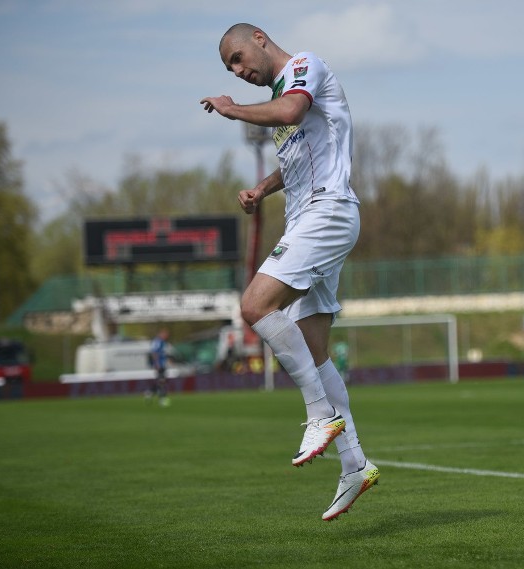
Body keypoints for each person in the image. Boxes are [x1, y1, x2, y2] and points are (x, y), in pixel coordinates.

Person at [200, 23, 378, 521]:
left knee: (254, 305)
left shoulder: (304, 66)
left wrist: (233, 107)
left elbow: (292, 110)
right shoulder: (283, 100)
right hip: (311, 216)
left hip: (327, 212)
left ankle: (319, 414)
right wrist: (262, 187)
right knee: (315, 349)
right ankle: (355, 465)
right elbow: (299, 153)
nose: (238, 71)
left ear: (259, 38)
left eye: (237, 58)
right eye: (230, 69)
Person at [148, 328, 171, 407]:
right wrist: (157, 364)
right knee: (162, 381)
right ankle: (162, 400)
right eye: (165, 335)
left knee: (161, 381)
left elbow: (163, 354)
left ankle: (150, 392)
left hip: (162, 364)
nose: (166, 336)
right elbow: (154, 353)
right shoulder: (157, 341)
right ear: (161, 334)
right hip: (159, 365)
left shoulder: (162, 342)